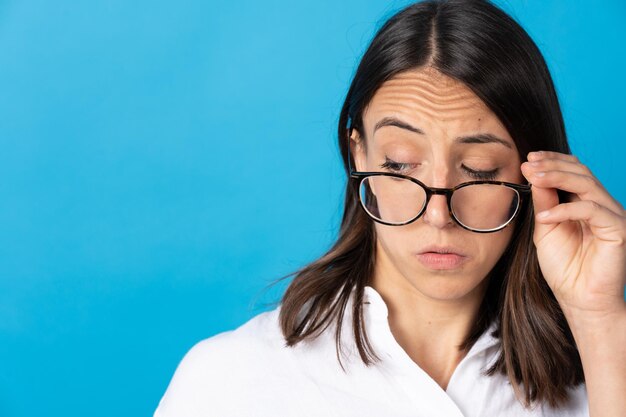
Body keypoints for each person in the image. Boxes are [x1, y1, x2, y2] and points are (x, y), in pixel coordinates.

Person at [154, 1, 625, 416]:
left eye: (480, 171)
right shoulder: (232, 382)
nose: (438, 215)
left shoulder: (601, 370)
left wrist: (599, 317)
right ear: (359, 155)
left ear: (532, 174)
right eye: (400, 165)